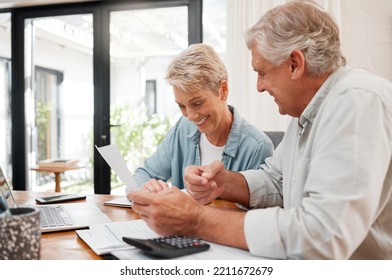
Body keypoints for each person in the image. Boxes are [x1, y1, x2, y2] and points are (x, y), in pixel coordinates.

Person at [128, 1, 392, 259]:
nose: (259, 87)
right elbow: (276, 181)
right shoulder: (307, 115)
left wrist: (195, 219)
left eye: (262, 72)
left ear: (295, 64)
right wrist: (224, 183)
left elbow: (323, 236)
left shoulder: (357, 100)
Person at [127, 43, 273, 193]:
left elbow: (254, 212)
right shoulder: (182, 129)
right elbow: (142, 174)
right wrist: (145, 187)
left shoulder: (258, 147)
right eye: (182, 106)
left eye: (197, 103)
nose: (190, 116)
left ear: (223, 90)